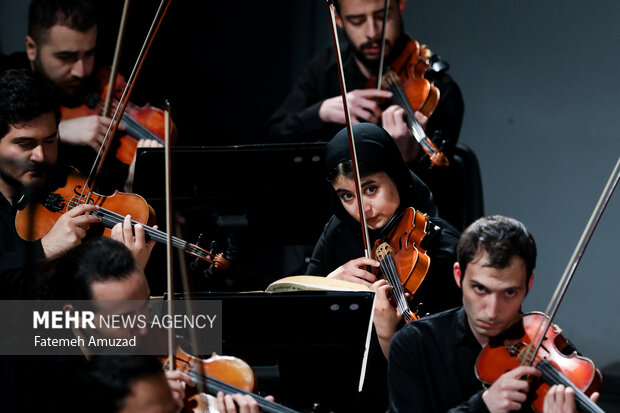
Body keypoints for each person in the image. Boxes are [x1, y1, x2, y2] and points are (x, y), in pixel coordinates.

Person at [263, 0, 466, 228]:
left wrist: (406, 162)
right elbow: (273, 138)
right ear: (339, 20)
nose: (372, 33)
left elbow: (442, 200)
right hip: (330, 233)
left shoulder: (438, 90)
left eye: (382, 17)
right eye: (357, 21)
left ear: (400, 7)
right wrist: (320, 112)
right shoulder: (327, 68)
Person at [306, 122, 461, 411]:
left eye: (371, 189)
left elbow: (442, 367)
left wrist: (389, 331)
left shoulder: (439, 247)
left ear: (397, 175)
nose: (361, 209)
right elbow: (300, 311)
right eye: (347, 195)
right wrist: (330, 282)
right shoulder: (340, 229)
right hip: (339, 389)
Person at [387, 215, 600, 412]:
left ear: (528, 285)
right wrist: (482, 406)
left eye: (509, 292)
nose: (492, 311)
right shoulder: (414, 344)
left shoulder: (550, 345)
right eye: (480, 289)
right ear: (458, 276)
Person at [0, 68, 153, 299]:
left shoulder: (69, 180)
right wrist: (44, 249)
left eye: (50, 141)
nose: (41, 156)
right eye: (25, 144)